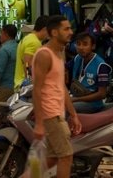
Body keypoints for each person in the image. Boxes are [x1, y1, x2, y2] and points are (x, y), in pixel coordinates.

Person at [32, 15, 82, 178]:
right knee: (66, 156)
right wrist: (39, 124)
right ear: (54, 32)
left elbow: (61, 87)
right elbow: (37, 90)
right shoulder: (44, 54)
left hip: (58, 113)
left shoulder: (59, 53)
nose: (70, 32)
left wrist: (73, 114)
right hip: (50, 114)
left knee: (52, 159)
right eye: (66, 29)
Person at [69, 32, 111, 113]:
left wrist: (76, 99)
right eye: (78, 44)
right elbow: (63, 68)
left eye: (85, 44)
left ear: (93, 46)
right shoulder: (77, 58)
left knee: (65, 108)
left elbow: (102, 94)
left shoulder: (101, 65)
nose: (81, 47)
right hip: (75, 97)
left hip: (92, 104)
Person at [16, 16, 48, 86]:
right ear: (45, 29)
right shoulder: (34, 42)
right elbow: (28, 66)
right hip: (26, 87)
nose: (49, 35)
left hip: (21, 83)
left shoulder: (27, 38)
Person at [0, 24, 19, 102]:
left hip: (6, 87)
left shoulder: (4, 50)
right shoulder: (19, 47)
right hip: (19, 86)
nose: (0, 35)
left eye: (1, 33)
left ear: (6, 34)